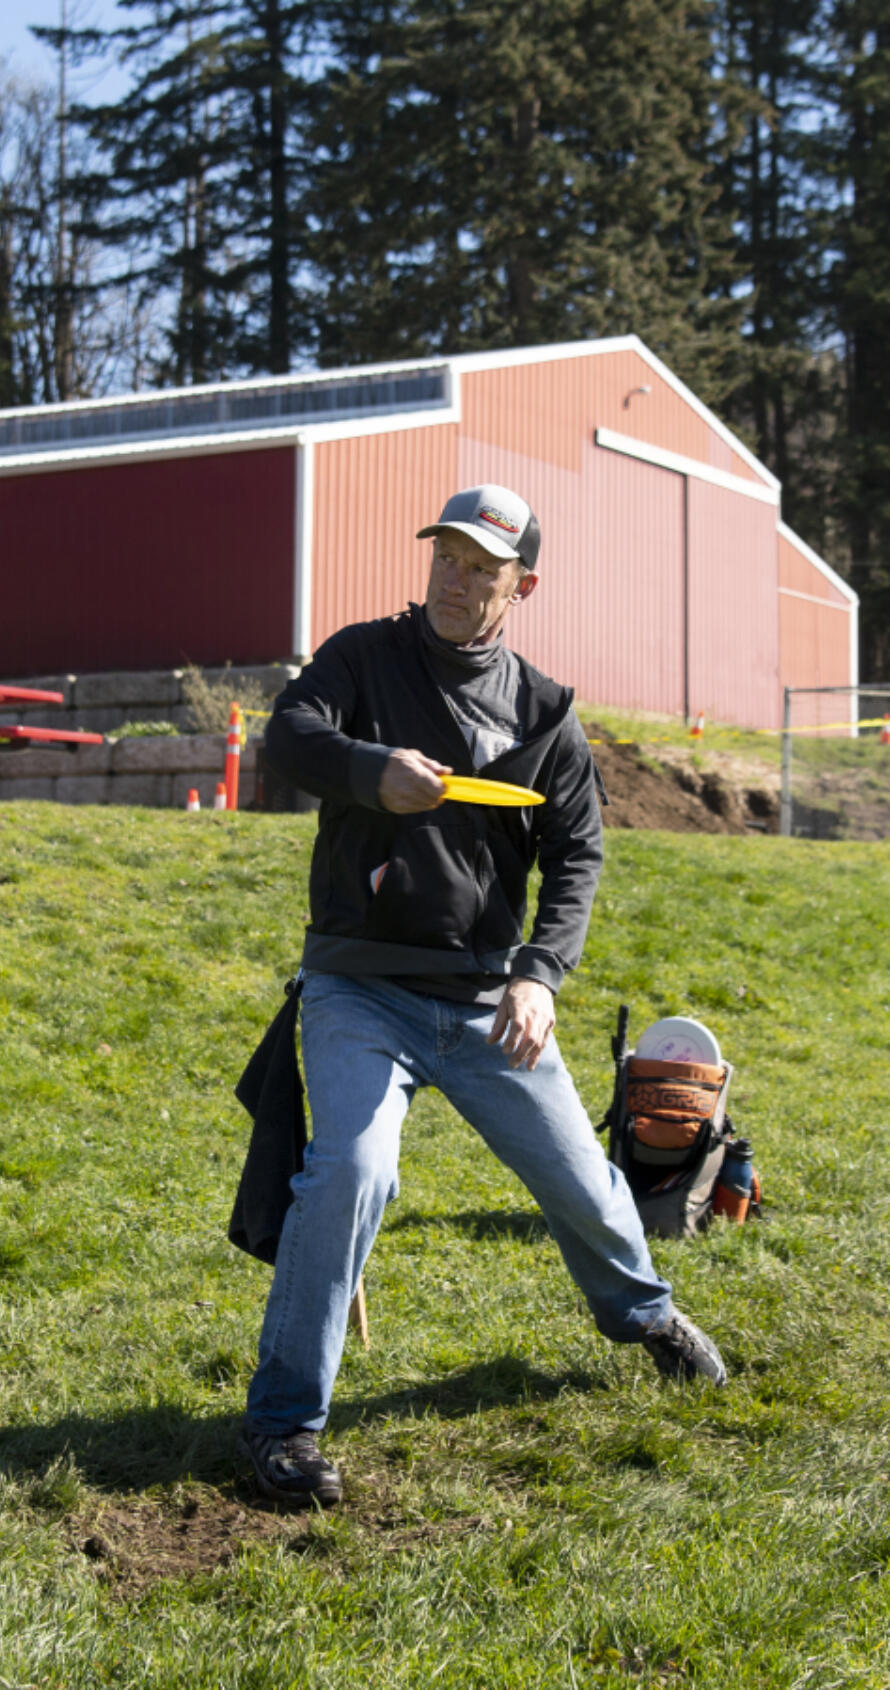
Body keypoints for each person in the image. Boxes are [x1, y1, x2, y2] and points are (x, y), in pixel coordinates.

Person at [237, 482, 726, 1508]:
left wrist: (538, 974)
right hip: (356, 988)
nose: (455, 581)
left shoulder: (544, 711)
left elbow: (576, 855)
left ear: (521, 586)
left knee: (586, 1185)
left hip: (483, 1000)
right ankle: (284, 1424)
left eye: (480, 569)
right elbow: (286, 738)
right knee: (352, 1170)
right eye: (445, 559)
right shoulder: (362, 657)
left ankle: (642, 1313)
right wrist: (369, 770)